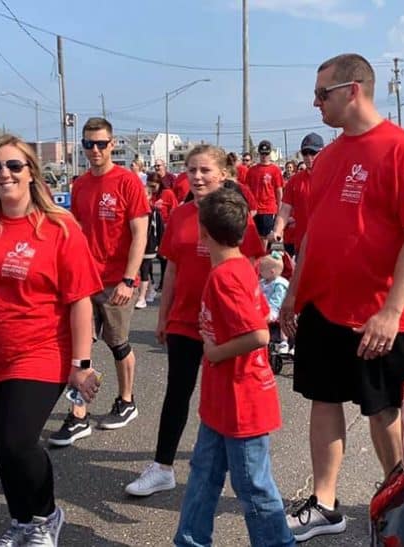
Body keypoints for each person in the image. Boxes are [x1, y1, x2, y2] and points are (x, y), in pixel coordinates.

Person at [281, 53, 404, 543]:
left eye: (322, 94)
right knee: (323, 399)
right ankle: (326, 505)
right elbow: (312, 236)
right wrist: (293, 295)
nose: (316, 103)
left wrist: (392, 311)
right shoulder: (328, 157)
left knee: (384, 411)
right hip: (323, 308)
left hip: (376, 315)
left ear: (354, 90)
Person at [0, 135, 102, 546]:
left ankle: (47, 516)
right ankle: (20, 520)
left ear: (31, 171)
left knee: (18, 441)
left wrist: (81, 363)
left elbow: (80, 300)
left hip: (41, 351)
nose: (5, 174)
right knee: (3, 446)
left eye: (14, 165)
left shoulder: (59, 228)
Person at [125, 144, 265, 498]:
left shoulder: (238, 216)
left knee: (229, 396)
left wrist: (247, 317)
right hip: (186, 321)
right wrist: (163, 314)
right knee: (178, 392)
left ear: (222, 175)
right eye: (192, 170)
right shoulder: (182, 215)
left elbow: (251, 266)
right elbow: (171, 268)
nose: (197, 177)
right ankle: (163, 467)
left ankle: (241, 466)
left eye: (205, 170)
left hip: (227, 326)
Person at [173, 187, 294, 547]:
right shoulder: (240, 266)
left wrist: (215, 351)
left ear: (203, 232)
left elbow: (258, 335)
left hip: (242, 403)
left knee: (253, 485)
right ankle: (190, 539)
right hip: (222, 401)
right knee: (204, 473)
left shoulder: (226, 276)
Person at [49, 117, 149, 446]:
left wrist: (128, 279)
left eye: (101, 144)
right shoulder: (80, 185)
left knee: (118, 344)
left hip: (115, 280)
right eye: (88, 144)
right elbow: (75, 229)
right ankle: (79, 415)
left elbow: (140, 234)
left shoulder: (128, 182)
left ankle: (127, 401)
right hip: (84, 280)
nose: (94, 150)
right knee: (80, 349)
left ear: (113, 144)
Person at [270, 133, 325, 257]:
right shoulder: (295, 181)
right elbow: (284, 211)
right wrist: (277, 231)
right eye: (305, 153)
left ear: (323, 152)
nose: (309, 157)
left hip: (327, 244)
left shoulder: (333, 177)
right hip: (302, 244)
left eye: (313, 152)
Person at [245, 140, 284, 247]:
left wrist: (280, 209)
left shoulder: (275, 170)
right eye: (262, 153)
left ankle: (264, 257)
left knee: (267, 236)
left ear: (270, 153)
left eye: (266, 153)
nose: (264, 156)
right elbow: (246, 190)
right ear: (259, 153)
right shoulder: (252, 171)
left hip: (268, 208)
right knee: (256, 236)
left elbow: (279, 191)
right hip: (254, 210)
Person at [136, 175, 165, 309]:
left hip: (149, 245)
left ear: (149, 196)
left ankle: (142, 297)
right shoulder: (134, 210)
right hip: (136, 244)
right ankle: (150, 288)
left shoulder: (154, 211)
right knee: (143, 269)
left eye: (144, 195)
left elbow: (160, 229)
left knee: (144, 269)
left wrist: (161, 245)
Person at [259, 252, 290, 353]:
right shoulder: (263, 282)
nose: (260, 272)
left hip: (276, 308)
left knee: (282, 320)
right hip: (263, 307)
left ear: (271, 271)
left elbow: (278, 299)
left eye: (262, 270)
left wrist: (270, 309)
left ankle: (284, 341)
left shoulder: (279, 284)